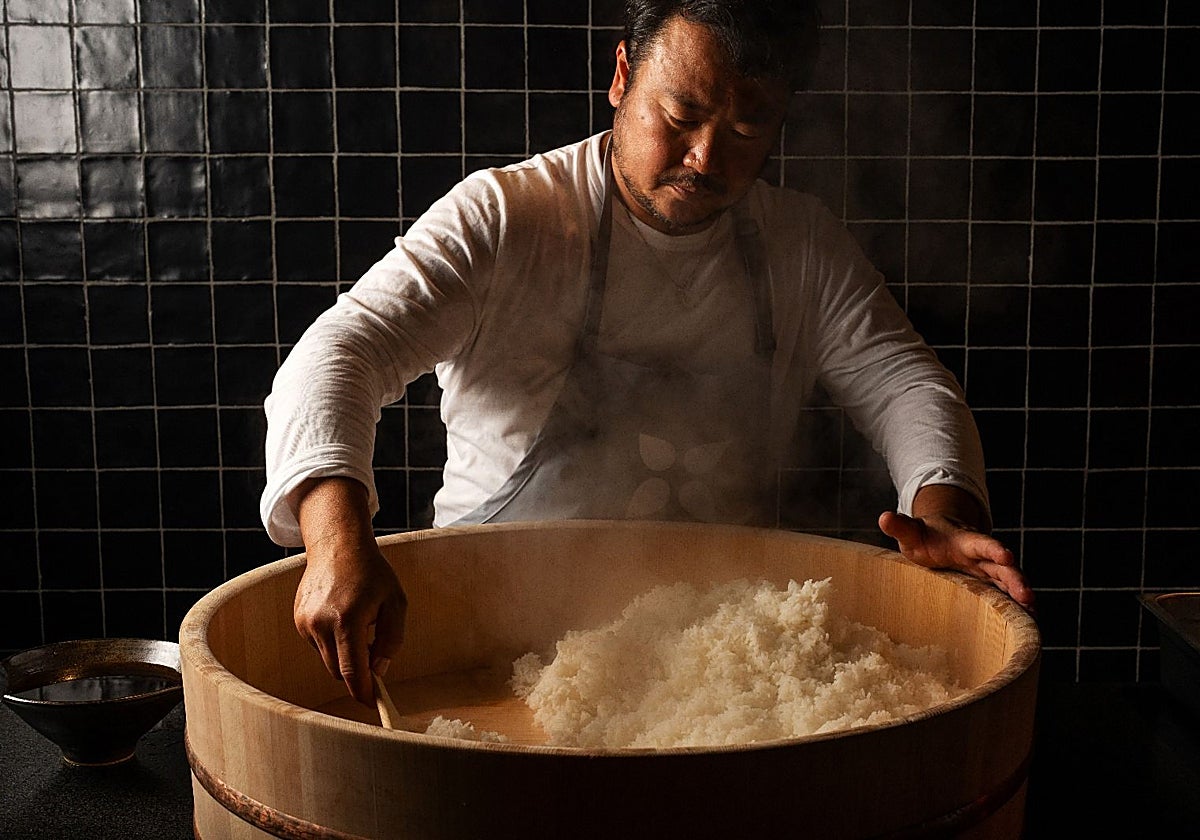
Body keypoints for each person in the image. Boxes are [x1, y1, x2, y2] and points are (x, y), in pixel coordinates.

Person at [261, 0, 1034, 706]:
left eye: (746, 130)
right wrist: (337, 542)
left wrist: (943, 511)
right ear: (623, 75)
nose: (704, 157)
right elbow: (337, 354)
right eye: (682, 115)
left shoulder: (800, 246)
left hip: (715, 674)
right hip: (486, 649)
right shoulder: (508, 217)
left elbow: (905, 384)